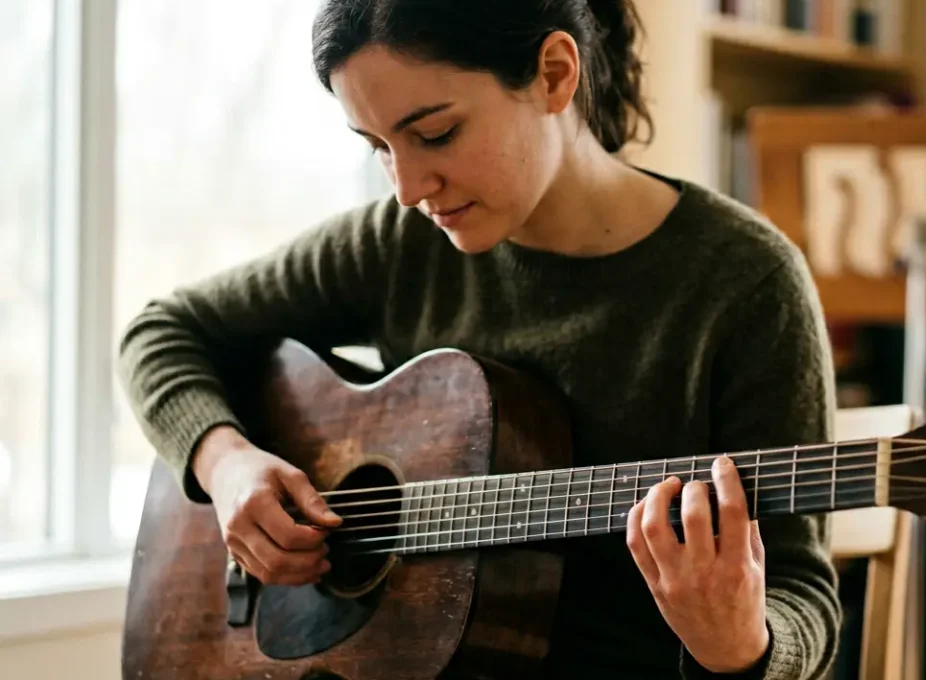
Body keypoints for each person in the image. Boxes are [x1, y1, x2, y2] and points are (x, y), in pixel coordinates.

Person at [116, 1, 842, 678]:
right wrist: (226, 463)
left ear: (555, 74)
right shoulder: (398, 245)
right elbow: (160, 332)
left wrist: (742, 646)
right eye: (378, 145)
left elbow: (803, 592)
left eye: (435, 134)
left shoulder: (745, 284)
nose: (405, 188)